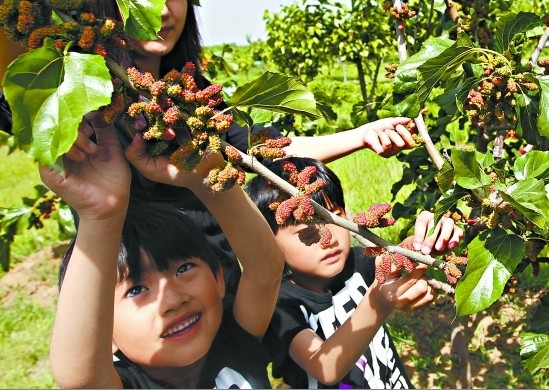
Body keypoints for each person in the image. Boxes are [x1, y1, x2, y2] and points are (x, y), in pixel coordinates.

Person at [61, 0, 419, 300]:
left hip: (224, 279)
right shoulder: (85, 102)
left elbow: (261, 150)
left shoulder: (190, 94)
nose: (165, 12)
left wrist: (364, 135)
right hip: (143, 293)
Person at [42, 123, 285, 388]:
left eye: (183, 269)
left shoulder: (236, 342)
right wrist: (99, 217)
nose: (173, 300)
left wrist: (207, 180)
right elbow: (80, 378)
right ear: (104, 334)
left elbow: (265, 269)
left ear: (219, 279)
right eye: (136, 290)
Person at [245, 156, 464, 389]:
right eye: (308, 234)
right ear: (269, 246)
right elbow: (325, 368)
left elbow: (398, 257)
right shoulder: (279, 306)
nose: (328, 239)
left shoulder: (358, 262)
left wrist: (426, 238)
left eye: (336, 218)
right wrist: (377, 304)